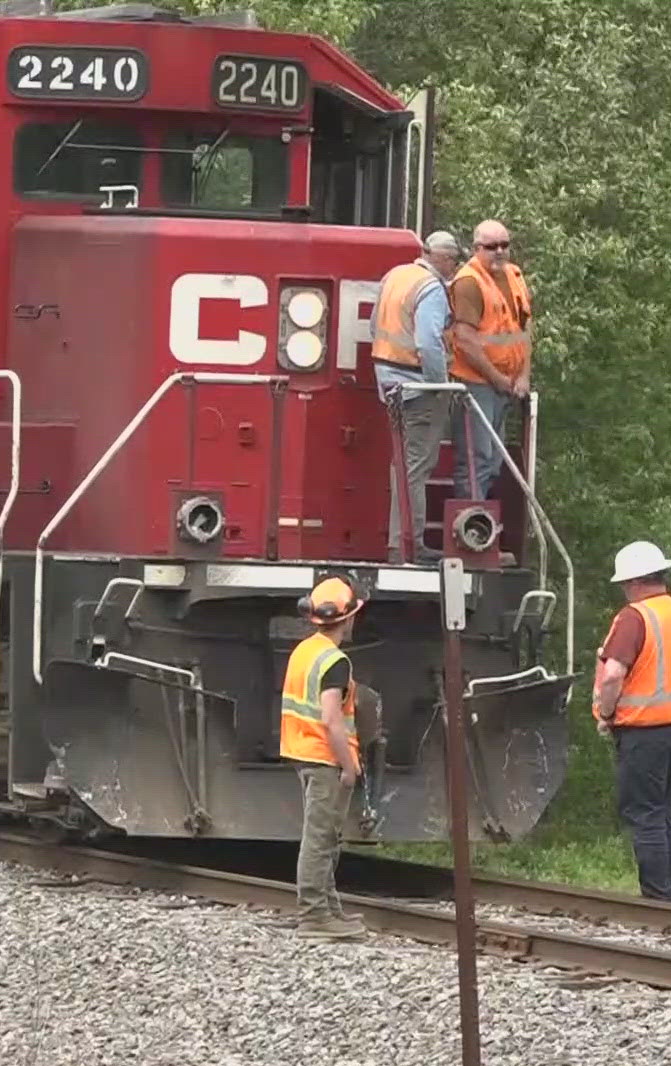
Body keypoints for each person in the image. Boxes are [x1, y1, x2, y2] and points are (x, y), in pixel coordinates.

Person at [591, 540, 671, 902]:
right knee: (664, 813)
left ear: (634, 582)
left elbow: (612, 675)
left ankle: (656, 902)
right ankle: (670, 895)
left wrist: (606, 713)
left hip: (644, 730)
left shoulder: (634, 617)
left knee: (645, 816)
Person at [279, 575, 369, 940]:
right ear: (348, 619)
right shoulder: (335, 661)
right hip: (324, 756)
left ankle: (329, 910)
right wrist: (349, 765)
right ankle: (314, 916)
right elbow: (332, 718)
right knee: (319, 839)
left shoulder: (305, 650)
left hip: (303, 751)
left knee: (326, 835)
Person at [371, 230, 463, 563]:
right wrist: (439, 386)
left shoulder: (395, 277)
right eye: (453, 261)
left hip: (390, 385)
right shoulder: (431, 289)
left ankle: (401, 542)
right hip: (418, 388)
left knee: (403, 466)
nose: (453, 268)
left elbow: (373, 327)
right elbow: (428, 344)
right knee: (416, 468)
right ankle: (410, 544)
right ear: (442, 257)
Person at [448, 219, 533, 502]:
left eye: (504, 245)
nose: (499, 251)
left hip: (506, 384)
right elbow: (466, 340)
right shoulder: (469, 282)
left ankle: (478, 522)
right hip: (477, 384)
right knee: (477, 459)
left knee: (495, 461)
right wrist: (497, 379)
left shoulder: (514, 276)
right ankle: (469, 526)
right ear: (476, 248)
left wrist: (523, 376)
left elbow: (524, 330)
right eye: (491, 246)